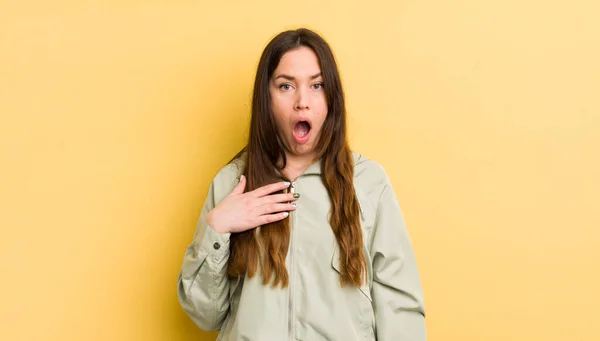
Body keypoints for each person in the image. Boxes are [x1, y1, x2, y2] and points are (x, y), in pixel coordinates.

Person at [177, 28, 426, 341]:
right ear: (266, 98)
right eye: (285, 86)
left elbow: (400, 306)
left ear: (331, 97)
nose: (302, 102)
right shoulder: (231, 183)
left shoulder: (369, 183)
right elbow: (205, 315)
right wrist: (216, 228)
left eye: (317, 85)